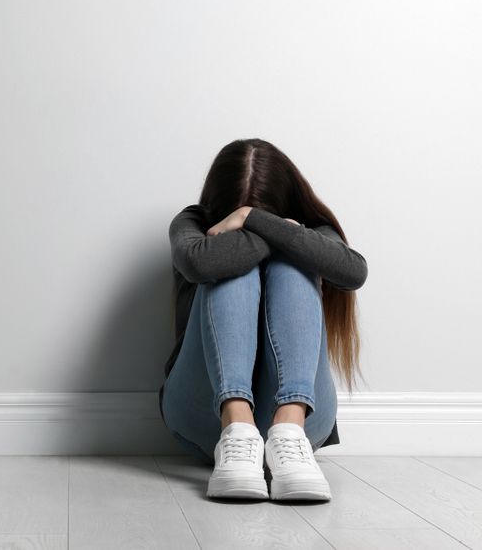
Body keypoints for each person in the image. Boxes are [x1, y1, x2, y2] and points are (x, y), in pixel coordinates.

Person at [158, 138, 368, 501]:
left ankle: (288, 431)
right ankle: (236, 428)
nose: (248, 220)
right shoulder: (193, 222)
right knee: (228, 264)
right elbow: (199, 262)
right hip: (204, 418)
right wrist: (278, 232)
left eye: (262, 215)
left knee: (291, 265)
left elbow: (354, 272)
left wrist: (252, 221)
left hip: (302, 427)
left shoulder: (316, 231)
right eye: (239, 214)